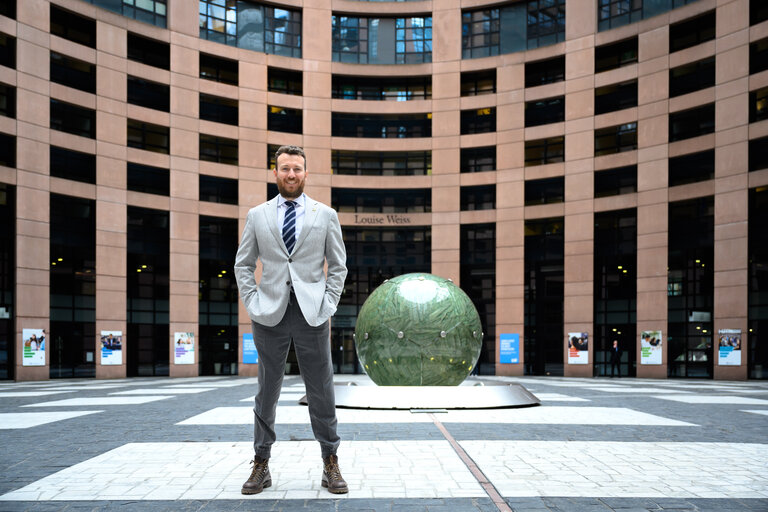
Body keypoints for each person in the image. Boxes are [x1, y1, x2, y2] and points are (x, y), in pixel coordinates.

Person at [234, 145, 348, 495]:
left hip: (312, 314)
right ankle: (261, 463)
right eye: (285, 169)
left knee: (322, 391)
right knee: (266, 392)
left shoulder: (325, 214)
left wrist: (327, 305)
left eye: (297, 168)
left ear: (305, 173)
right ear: (275, 173)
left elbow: (338, 266)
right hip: (269, 314)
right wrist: (254, 303)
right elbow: (243, 264)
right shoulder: (257, 215)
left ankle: (331, 462)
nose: (291, 174)